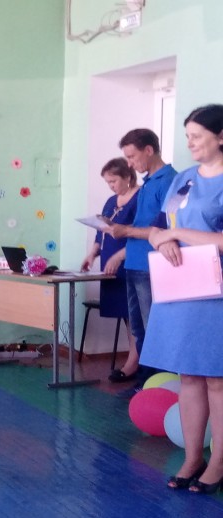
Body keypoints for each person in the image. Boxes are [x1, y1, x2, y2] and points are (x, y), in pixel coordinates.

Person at [142, 104, 223, 494]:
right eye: (187, 135)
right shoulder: (184, 179)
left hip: (216, 292)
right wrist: (161, 240)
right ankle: (193, 457)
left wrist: (180, 236)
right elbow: (159, 228)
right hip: (180, 288)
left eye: (197, 136)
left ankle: (219, 463)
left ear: (221, 137)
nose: (189, 143)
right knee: (188, 376)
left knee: (217, 380)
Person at [105, 129, 178, 394]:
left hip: (152, 265)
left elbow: (166, 229)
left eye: (132, 157)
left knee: (154, 327)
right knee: (138, 327)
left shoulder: (170, 181)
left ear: (149, 150)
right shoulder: (148, 183)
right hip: (135, 263)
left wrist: (125, 231)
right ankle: (144, 381)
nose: (129, 164)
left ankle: (158, 384)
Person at [80, 158, 139, 381]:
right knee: (125, 315)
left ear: (128, 177)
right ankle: (134, 359)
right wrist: (92, 254)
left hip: (130, 262)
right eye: (107, 182)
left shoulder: (140, 197)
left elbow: (141, 233)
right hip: (110, 264)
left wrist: (120, 256)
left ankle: (134, 362)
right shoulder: (111, 201)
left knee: (134, 315)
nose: (111, 186)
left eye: (113, 181)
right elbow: (101, 231)